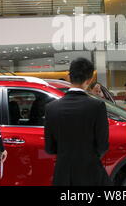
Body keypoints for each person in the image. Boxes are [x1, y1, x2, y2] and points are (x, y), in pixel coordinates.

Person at [44, 57, 111, 186]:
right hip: (91, 173)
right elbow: (103, 145)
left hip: (63, 175)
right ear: (90, 79)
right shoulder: (97, 106)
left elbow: (50, 148)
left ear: (69, 77)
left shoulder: (51, 108)